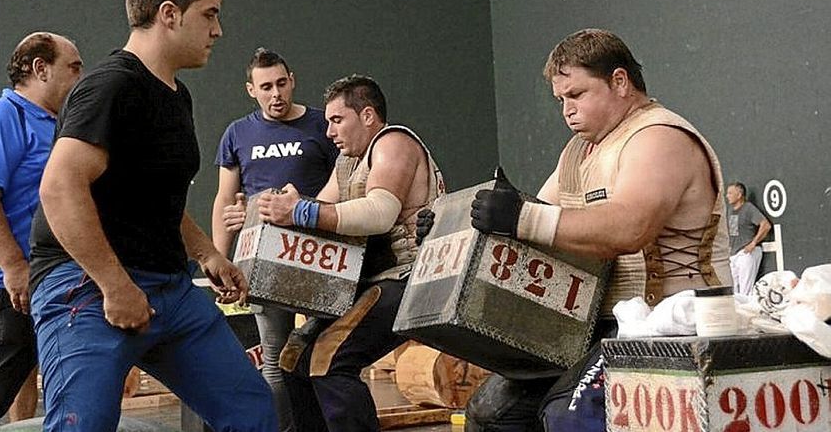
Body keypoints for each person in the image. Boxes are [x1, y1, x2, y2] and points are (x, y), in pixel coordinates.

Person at [418, 29, 732, 431]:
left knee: (571, 416)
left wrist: (520, 218)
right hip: (602, 327)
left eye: (577, 95)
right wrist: (454, 226)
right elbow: (536, 219)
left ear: (620, 82)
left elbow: (629, 225)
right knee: (491, 414)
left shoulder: (658, 137)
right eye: (561, 100)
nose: (567, 110)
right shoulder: (579, 152)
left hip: (674, 324)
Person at [27, 0, 275, 432]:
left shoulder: (177, 96)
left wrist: (206, 252)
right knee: (85, 424)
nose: (218, 30)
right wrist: (115, 286)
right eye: (209, 13)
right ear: (168, 14)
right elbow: (59, 188)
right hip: (86, 286)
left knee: (252, 411)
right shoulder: (110, 86)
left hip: (169, 290)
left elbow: (155, 192)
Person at [258, 74, 444, 432]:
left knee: (329, 360)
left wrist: (299, 211)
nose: (329, 132)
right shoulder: (347, 163)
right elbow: (318, 209)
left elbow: (379, 213)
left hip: (411, 279)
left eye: (337, 120)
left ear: (368, 116)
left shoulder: (393, 143)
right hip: (372, 282)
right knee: (294, 358)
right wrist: (266, 210)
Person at [0, 32, 82, 432]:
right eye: (73, 68)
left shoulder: (58, 127)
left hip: (51, 286)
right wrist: (13, 266)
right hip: (2, 290)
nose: (82, 77)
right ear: (40, 69)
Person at [213, 47, 338, 431]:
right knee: (274, 359)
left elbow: (344, 186)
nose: (276, 94)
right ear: (252, 90)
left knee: (330, 355)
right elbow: (224, 199)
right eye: (266, 87)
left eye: (281, 84)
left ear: (292, 80)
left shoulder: (322, 126)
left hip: (320, 252)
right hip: (261, 258)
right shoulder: (237, 132)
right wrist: (219, 259)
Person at [726, 182, 771, 295]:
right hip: (734, 255)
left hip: (747, 254)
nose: (727, 196)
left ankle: (747, 312)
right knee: (733, 292)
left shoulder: (748, 208)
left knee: (745, 290)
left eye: (730, 193)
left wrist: (753, 243)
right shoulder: (730, 211)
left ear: (739, 194)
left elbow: (766, 225)